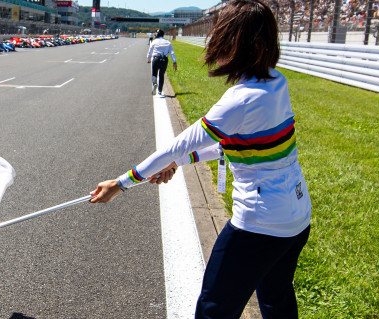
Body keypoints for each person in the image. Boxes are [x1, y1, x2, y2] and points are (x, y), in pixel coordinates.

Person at [89, 1, 311, 318]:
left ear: (236, 42)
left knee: (214, 308)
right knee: (277, 299)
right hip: (297, 215)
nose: (212, 41)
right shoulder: (276, 82)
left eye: (219, 34)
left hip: (260, 223)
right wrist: (179, 163)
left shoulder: (239, 100)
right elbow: (233, 146)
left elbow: (176, 146)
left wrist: (120, 183)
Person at [146, 29, 177, 97]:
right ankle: (160, 90)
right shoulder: (168, 42)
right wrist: (174, 62)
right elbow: (172, 53)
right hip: (164, 59)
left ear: (157, 35)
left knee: (154, 73)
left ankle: (154, 83)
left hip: (156, 58)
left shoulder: (154, 41)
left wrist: (148, 59)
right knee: (161, 74)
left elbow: (150, 51)